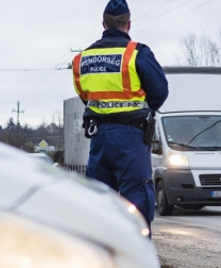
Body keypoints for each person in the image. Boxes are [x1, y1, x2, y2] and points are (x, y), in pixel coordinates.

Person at [72, 0, 169, 233]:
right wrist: (138, 109)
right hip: (130, 137)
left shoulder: (82, 59)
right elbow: (160, 92)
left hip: (98, 138)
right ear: (129, 24)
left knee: (99, 202)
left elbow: (85, 96)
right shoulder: (137, 54)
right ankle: (137, 263)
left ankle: (101, 260)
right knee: (136, 200)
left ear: (103, 24)